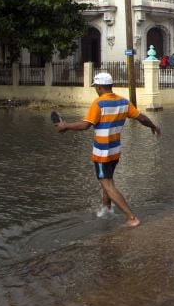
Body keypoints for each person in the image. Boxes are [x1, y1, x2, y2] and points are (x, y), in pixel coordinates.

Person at [54, 72, 160, 228]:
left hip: (102, 153)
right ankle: (106, 208)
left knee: (107, 184)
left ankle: (131, 218)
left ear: (99, 87)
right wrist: (154, 126)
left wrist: (66, 126)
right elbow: (141, 117)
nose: (95, 90)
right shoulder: (123, 102)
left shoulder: (98, 103)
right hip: (115, 151)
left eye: (96, 87)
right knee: (108, 180)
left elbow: (85, 125)